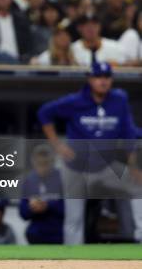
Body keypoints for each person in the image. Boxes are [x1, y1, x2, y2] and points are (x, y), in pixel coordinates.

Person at [38, 62, 142, 244]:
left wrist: (133, 166)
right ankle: (73, 263)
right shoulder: (75, 101)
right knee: (74, 218)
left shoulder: (119, 99)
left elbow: (129, 133)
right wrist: (57, 145)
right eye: (98, 77)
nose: (103, 81)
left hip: (106, 166)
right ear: (90, 79)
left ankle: (137, 239)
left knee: (138, 186)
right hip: (76, 167)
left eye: (106, 77)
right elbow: (44, 113)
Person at [19, 144, 64, 244]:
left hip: (58, 233)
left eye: (46, 163)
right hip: (36, 233)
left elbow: (69, 210)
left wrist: (48, 206)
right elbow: (23, 213)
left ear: (52, 162)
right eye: (39, 163)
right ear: (34, 163)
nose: (43, 167)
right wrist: (32, 208)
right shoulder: (29, 181)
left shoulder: (62, 180)